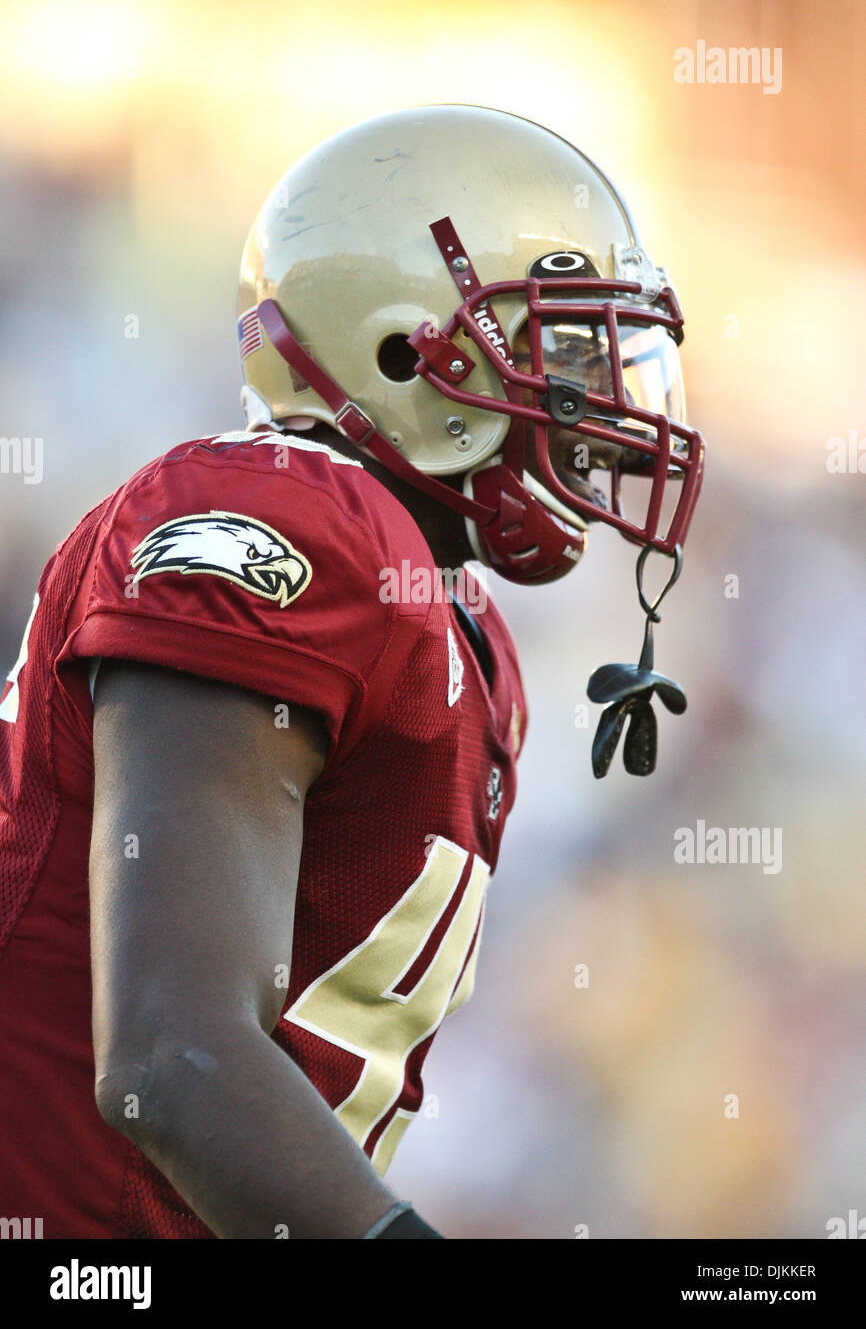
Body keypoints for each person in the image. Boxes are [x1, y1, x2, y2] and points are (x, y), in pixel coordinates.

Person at [0, 104, 704, 1239]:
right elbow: (172, 1056)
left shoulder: (454, 626)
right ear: (405, 347)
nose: (604, 410)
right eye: (562, 347)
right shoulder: (287, 514)